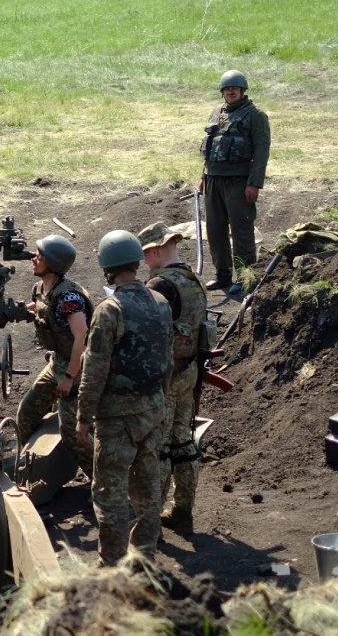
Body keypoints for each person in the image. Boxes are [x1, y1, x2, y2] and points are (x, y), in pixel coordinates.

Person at [75, 230, 173, 566]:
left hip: (116, 418)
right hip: (153, 410)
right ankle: (144, 558)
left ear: (107, 268)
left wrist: (84, 417)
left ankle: (113, 566)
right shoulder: (160, 302)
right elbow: (167, 359)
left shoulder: (109, 309)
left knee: (110, 494)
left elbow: (94, 368)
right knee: (149, 489)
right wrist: (162, 402)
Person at [138, 221, 208, 534]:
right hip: (190, 369)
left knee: (159, 446)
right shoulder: (194, 279)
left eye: (144, 255)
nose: (143, 262)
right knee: (184, 441)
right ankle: (183, 510)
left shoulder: (160, 285)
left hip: (165, 375)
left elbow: (146, 334)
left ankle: (150, 516)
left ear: (153, 251)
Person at [14, 234, 95, 477]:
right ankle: (34, 470)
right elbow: (43, 308)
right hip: (58, 362)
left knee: (73, 432)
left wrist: (69, 377)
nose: (34, 258)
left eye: (41, 255)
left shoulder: (69, 298)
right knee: (26, 414)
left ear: (54, 264)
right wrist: (22, 310)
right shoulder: (40, 289)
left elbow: (81, 337)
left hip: (77, 368)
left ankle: (103, 483)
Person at [199, 69, 271, 299]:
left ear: (242, 90)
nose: (231, 91)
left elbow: (261, 151)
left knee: (241, 229)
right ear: (222, 92)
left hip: (239, 181)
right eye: (227, 89)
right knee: (215, 228)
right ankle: (222, 274)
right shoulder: (215, 113)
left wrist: (254, 183)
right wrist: (204, 176)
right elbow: (211, 148)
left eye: (235, 88)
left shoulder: (255, 115)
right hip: (214, 179)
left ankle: (245, 276)